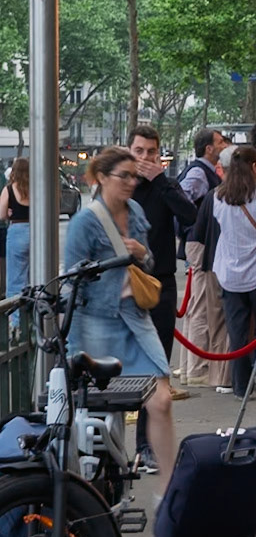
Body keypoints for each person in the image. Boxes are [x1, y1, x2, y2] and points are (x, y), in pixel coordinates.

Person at [64, 146, 176, 491]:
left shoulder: (136, 210)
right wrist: (73, 346)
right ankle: (99, 489)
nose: (131, 182)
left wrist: (143, 254)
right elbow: (72, 283)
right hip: (97, 321)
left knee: (161, 400)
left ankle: (171, 490)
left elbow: (147, 265)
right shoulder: (85, 222)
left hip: (135, 318)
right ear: (101, 177)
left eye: (134, 176)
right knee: (103, 415)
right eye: (123, 176)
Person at [127, 125, 197, 440]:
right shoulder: (120, 184)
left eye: (151, 152)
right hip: (124, 285)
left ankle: (146, 444)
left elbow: (191, 216)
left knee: (157, 368)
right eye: (139, 151)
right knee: (123, 370)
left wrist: (161, 180)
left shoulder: (165, 185)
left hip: (161, 285)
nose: (145, 158)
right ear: (129, 151)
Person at [196, 145, 256, 397]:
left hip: (229, 273)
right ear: (254, 166)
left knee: (237, 332)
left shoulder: (218, 198)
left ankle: (241, 386)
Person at [176, 130, 231, 392]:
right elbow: (182, 201)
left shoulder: (201, 171)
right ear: (209, 148)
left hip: (196, 240)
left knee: (196, 304)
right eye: (220, 142)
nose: (223, 146)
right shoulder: (199, 173)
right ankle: (197, 368)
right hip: (199, 241)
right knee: (199, 306)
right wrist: (194, 221)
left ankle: (191, 366)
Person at [2, 157, 30, 302]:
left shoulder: (9, 189)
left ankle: (16, 314)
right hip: (36, 231)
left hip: (17, 230)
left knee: (15, 277)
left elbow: (1, 214)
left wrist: (8, 213)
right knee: (35, 274)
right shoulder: (36, 188)